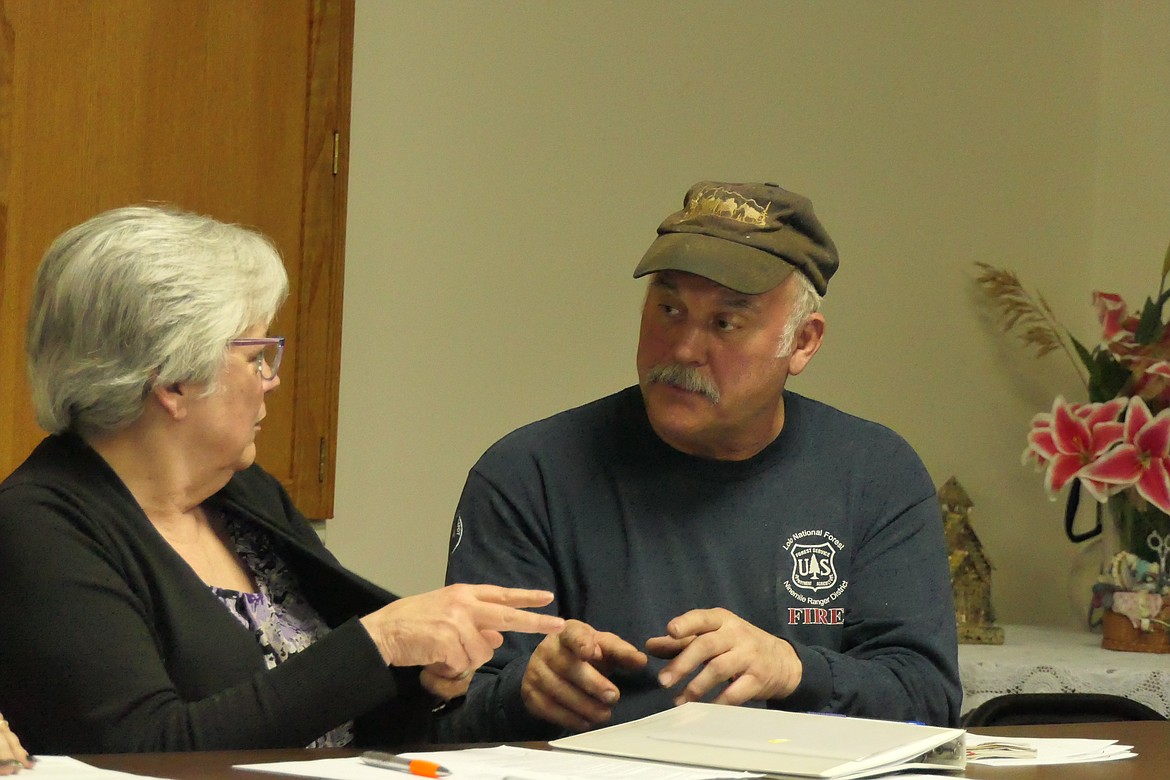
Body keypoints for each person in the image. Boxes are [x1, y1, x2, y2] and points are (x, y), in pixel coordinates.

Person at [0, 205, 564, 754]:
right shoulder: (40, 529)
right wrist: (378, 642)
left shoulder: (243, 495)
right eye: (256, 356)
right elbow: (144, 749)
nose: (272, 381)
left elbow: (334, 717)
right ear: (173, 381)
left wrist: (425, 680)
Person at [440, 181, 961, 741]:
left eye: (724, 324)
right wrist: (525, 692)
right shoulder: (528, 475)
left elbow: (927, 700)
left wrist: (795, 671)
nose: (684, 348)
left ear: (803, 343)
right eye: (668, 309)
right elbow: (444, 715)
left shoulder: (875, 474)